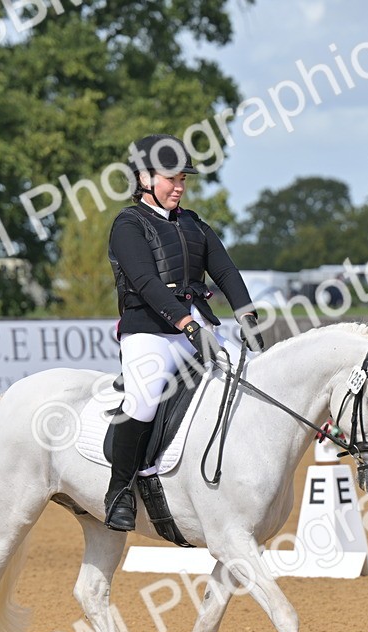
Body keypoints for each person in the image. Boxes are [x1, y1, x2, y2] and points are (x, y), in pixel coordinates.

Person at [103, 133, 266, 531]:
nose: (179, 187)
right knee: (144, 400)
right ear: (144, 178)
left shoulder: (193, 224)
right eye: (171, 179)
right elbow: (146, 281)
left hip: (200, 327)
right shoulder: (128, 224)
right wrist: (185, 324)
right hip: (151, 332)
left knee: (252, 378)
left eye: (183, 180)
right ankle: (119, 491)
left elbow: (225, 270)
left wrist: (246, 315)